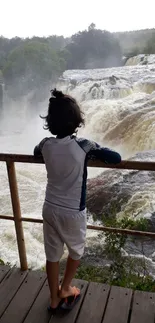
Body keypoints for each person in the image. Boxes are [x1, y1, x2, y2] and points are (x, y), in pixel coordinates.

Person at [34, 88, 121, 313]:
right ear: (76, 122)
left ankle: (54, 299)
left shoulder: (45, 144)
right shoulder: (84, 146)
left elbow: (35, 152)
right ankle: (65, 288)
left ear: (50, 122)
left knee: (52, 255)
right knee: (76, 252)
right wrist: (95, 149)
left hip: (49, 207)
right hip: (72, 210)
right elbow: (115, 158)